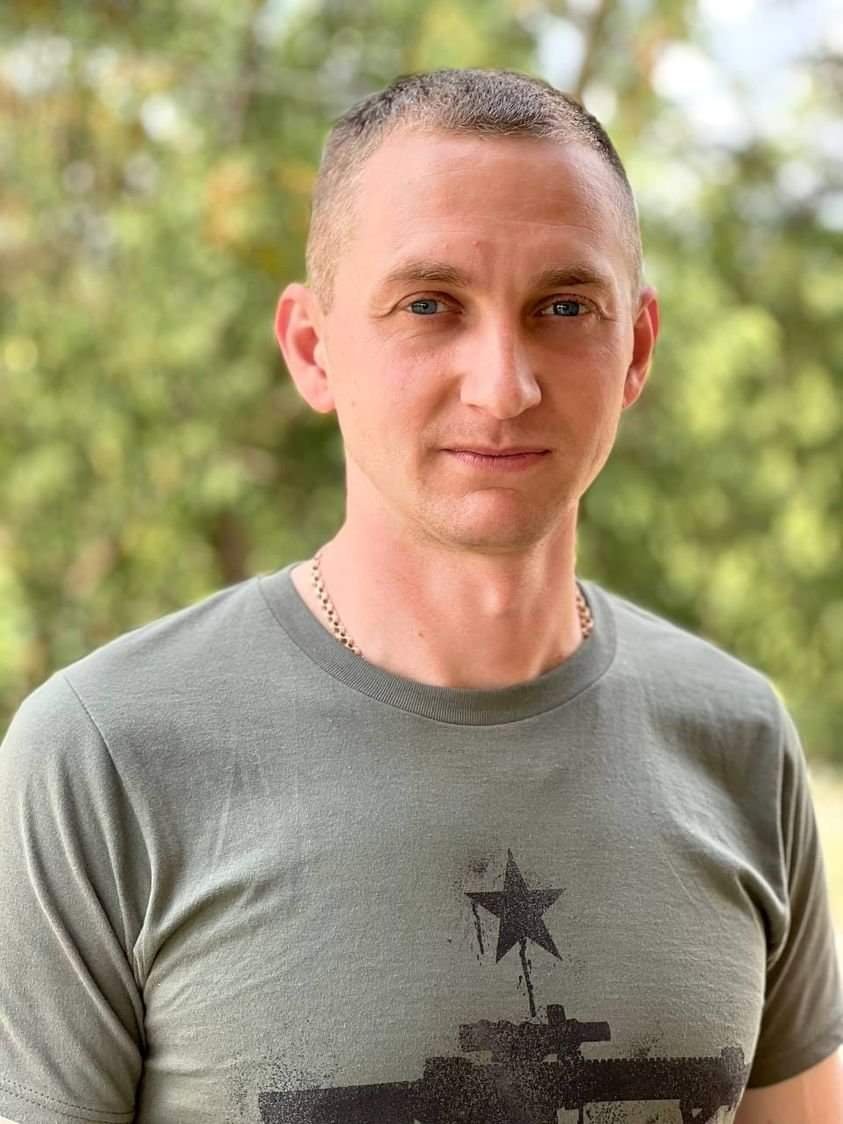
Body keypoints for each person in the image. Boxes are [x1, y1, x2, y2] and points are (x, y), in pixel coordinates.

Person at [0, 68, 841, 1124]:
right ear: (312, 349)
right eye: (429, 306)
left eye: (564, 307)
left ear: (635, 348)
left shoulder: (737, 738)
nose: (503, 385)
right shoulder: (104, 756)